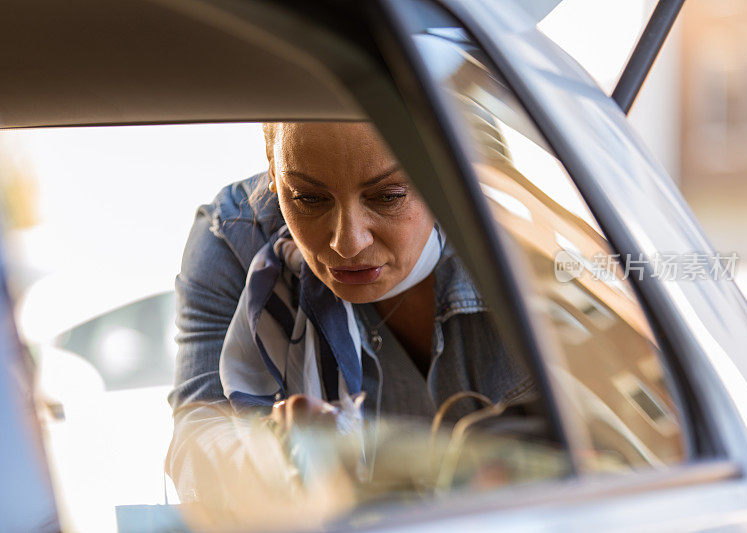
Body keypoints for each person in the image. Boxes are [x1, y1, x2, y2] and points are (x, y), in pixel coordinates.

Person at [165, 122, 536, 512]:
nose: (348, 243)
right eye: (309, 198)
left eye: (389, 196)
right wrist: (280, 455)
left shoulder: (526, 253)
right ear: (274, 169)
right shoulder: (235, 238)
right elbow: (196, 448)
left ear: (443, 174)